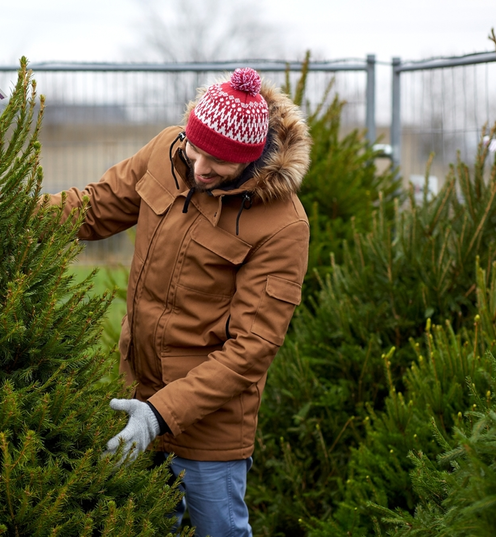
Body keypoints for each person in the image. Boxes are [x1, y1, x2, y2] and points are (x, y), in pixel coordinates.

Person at [46, 68, 311, 536]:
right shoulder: (167, 151)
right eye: (196, 148)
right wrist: (5, 213)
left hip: (211, 428)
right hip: (138, 399)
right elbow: (97, 204)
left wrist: (161, 414)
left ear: (251, 161)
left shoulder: (282, 225)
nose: (199, 167)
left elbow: (252, 349)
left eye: (219, 162)